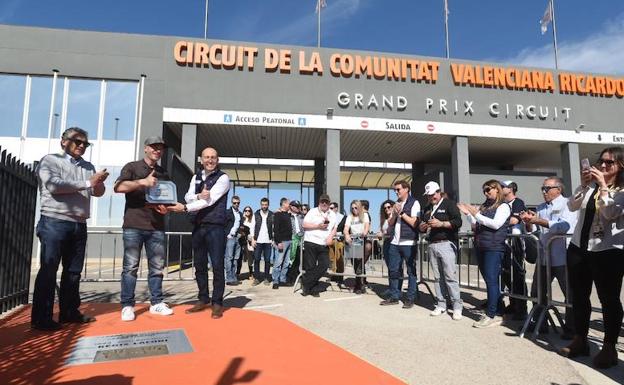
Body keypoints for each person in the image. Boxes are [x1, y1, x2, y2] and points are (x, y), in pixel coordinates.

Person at [31, 127, 109, 331]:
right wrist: (87, 182)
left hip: (79, 223)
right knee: (49, 270)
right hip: (54, 221)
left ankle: (69, 312)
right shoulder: (49, 160)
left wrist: (99, 184)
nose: (82, 146)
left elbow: (96, 192)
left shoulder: (88, 166)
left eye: (85, 143)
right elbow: (54, 186)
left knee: (73, 272)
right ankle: (42, 318)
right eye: (77, 141)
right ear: (63, 142)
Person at [560, 147, 624, 369]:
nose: (603, 166)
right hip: (579, 248)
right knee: (579, 296)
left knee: (609, 299)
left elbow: (610, 213)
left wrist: (604, 187)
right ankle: (580, 338)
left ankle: (609, 346)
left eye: (610, 163)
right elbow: (571, 205)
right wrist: (585, 184)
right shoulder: (591, 187)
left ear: (620, 167)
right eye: (601, 161)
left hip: (608, 251)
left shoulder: (621, 191)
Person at [114, 136, 174, 321]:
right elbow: (118, 187)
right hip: (134, 225)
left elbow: (165, 199)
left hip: (156, 226)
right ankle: (127, 305)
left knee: (157, 268)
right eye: (154, 147)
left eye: (161, 148)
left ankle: (156, 303)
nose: (158, 150)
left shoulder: (164, 173)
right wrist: (142, 182)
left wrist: (165, 209)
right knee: (130, 267)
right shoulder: (132, 167)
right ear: (146, 148)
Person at [170, 147, 230, 319]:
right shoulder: (195, 177)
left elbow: (210, 201)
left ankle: (217, 303)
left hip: (215, 227)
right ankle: (203, 299)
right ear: (201, 159)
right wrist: (198, 196)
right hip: (198, 226)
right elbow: (188, 196)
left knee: (217, 266)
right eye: (207, 157)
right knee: (199, 265)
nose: (210, 160)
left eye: (213, 157)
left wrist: (186, 207)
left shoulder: (223, 178)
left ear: (217, 160)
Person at [520, 176, 576, 337]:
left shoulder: (568, 204)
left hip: (562, 256)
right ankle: (541, 322)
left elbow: (563, 227)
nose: (544, 192)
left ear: (558, 189)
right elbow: (535, 231)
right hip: (544, 257)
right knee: (537, 291)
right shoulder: (541, 207)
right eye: (542, 189)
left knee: (569, 294)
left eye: (547, 188)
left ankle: (572, 329)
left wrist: (538, 220)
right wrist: (529, 222)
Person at [458, 180, 511, 328]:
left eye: (488, 189)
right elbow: (477, 224)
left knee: (491, 280)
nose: (486, 193)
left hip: (494, 247)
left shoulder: (503, 206)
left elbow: (496, 224)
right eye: (484, 191)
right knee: (491, 280)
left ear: (497, 190)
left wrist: (476, 213)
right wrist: (469, 214)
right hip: (482, 246)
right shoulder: (486, 206)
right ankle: (498, 310)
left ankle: (492, 314)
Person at [419, 181, 463, 320]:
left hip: (446, 243)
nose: (431, 198)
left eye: (432, 195)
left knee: (450, 276)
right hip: (432, 244)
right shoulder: (427, 208)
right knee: (437, 278)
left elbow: (458, 222)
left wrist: (442, 223)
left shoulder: (449, 204)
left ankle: (457, 306)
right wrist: (422, 226)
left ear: (438, 192)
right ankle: (441, 304)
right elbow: (422, 222)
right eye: (428, 195)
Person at [381, 180, 420, 309]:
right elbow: (391, 223)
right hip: (395, 242)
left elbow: (415, 223)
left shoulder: (414, 203)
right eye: (395, 190)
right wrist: (395, 213)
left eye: (398, 189)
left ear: (406, 189)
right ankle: (394, 296)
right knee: (393, 270)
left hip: (408, 242)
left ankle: (410, 298)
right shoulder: (396, 204)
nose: (396, 192)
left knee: (410, 272)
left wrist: (402, 213)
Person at [500, 180, 529, 320]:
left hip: (516, 244)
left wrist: (498, 221)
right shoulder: (502, 204)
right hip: (504, 244)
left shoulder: (518, 202)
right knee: (506, 275)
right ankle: (513, 303)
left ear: (511, 189)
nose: (501, 188)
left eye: (503, 186)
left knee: (518, 276)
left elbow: (514, 220)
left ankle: (522, 308)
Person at [300, 194, 337, 297]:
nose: (324, 203)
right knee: (310, 267)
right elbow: (304, 224)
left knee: (324, 265)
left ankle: (305, 282)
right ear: (319, 203)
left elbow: (335, 228)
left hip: (324, 243)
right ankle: (312, 289)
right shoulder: (312, 211)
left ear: (329, 203)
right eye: (322, 202)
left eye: (326, 202)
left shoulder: (333, 214)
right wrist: (318, 226)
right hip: (311, 241)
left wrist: (330, 237)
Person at [344, 200, 370, 294]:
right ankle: (360, 284)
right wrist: (346, 235)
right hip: (353, 240)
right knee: (355, 263)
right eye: (352, 208)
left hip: (362, 239)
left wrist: (365, 232)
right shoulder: (349, 217)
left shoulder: (365, 215)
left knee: (360, 261)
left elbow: (367, 225)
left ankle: (359, 285)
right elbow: (346, 229)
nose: (354, 209)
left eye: (356, 207)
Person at [377, 199, 399, 294]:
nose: (386, 209)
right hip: (386, 243)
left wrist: (384, 232)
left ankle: (396, 289)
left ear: (393, 206)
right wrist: (380, 232)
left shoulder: (396, 217)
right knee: (390, 267)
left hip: (395, 243)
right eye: (385, 208)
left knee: (395, 268)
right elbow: (382, 231)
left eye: (388, 207)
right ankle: (391, 288)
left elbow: (392, 230)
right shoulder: (384, 220)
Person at [271, 198, 293, 289]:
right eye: (289, 203)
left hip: (289, 241)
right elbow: (276, 230)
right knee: (278, 262)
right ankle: (275, 281)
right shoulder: (277, 214)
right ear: (284, 204)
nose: (290, 205)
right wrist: (278, 242)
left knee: (286, 262)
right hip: (281, 242)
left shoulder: (288, 214)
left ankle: (282, 280)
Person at [252, 197, 274, 285]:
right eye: (263, 204)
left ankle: (266, 278)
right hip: (258, 240)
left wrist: (273, 239)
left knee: (267, 260)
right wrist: (253, 239)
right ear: (260, 205)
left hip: (268, 241)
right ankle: (257, 278)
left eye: (266, 205)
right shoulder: (256, 214)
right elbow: (252, 227)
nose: (264, 206)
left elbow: (274, 228)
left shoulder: (272, 214)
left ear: (268, 205)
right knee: (256, 259)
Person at [224, 195, 242, 286]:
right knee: (229, 258)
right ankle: (229, 278)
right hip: (230, 238)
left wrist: (240, 233)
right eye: (234, 203)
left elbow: (240, 225)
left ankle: (233, 276)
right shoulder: (227, 212)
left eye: (238, 203)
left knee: (235, 258)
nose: (236, 204)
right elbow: (223, 224)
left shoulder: (240, 213)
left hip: (237, 238)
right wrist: (227, 235)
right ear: (232, 203)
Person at [328, 202, 347, 288]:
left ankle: (340, 277)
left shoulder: (343, 217)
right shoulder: (328, 217)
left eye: (331, 208)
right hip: (331, 240)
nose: (330, 209)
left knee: (339, 259)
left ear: (336, 208)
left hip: (339, 241)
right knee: (332, 258)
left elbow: (344, 229)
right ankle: (334, 275)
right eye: (329, 208)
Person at [287, 200, 304, 285]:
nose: (298, 208)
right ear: (292, 207)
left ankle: (296, 277)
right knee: (290, 260)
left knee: (298, 259)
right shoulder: (287, 216)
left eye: (299, 206)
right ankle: (288, 277)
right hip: (290, 240)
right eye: (297, 206)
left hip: (300, 240)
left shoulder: (301, 216)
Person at [240, 205, 255, 279]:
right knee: (241, 257)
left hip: (251, 240)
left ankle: (251, 273)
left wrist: (252, 239)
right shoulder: (242, 220)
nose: (247, 212)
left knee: (251, 257)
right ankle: (237, 273)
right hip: (243, 241)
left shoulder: (253, 219)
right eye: (246, 210)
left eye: (249, 210)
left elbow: (253, 229)